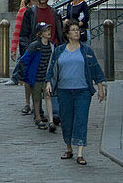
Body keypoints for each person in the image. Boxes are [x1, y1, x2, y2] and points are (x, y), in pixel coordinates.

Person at [47, 19, 106, 165]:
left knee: (81, 120)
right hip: (64, 91)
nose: (77, 32)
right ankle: (69, 148)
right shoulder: (60, 50)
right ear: (67, 34)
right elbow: (52, 69)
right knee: (66, 120)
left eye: (78, 30)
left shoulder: (86, 50)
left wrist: (100, 88)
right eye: (73, 30)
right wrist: (49, 83)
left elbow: (96, 69)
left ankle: (80, 152)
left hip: (82, 91)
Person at [19, 0, 64, 125]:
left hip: (53, 51)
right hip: (37, 52)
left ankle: (55, 113)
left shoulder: (55, 12)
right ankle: (38, 113)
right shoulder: (30, 12)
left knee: (54, 82)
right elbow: (24, 34)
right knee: (37, 83)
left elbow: (60, 33)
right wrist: (25, 52)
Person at [13, 24, 56, 132]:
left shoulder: (51, 46)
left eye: (49, 30)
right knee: (36, 98)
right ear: (40, 34)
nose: (49, 32)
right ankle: (38, 117)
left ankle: (51, 120)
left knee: (47, 97)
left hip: (46, 77)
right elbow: (24, 60)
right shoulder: (34, 46)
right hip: (36, 77)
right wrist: (21, 76)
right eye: (46, 31)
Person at [11, 0, 38, 115]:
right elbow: (17, 30)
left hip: (40, 45)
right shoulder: (23, 11)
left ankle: (36, 104)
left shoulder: (42, 9)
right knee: (27, 76)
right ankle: (28, 102)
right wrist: (13, 48)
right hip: (27, 45)